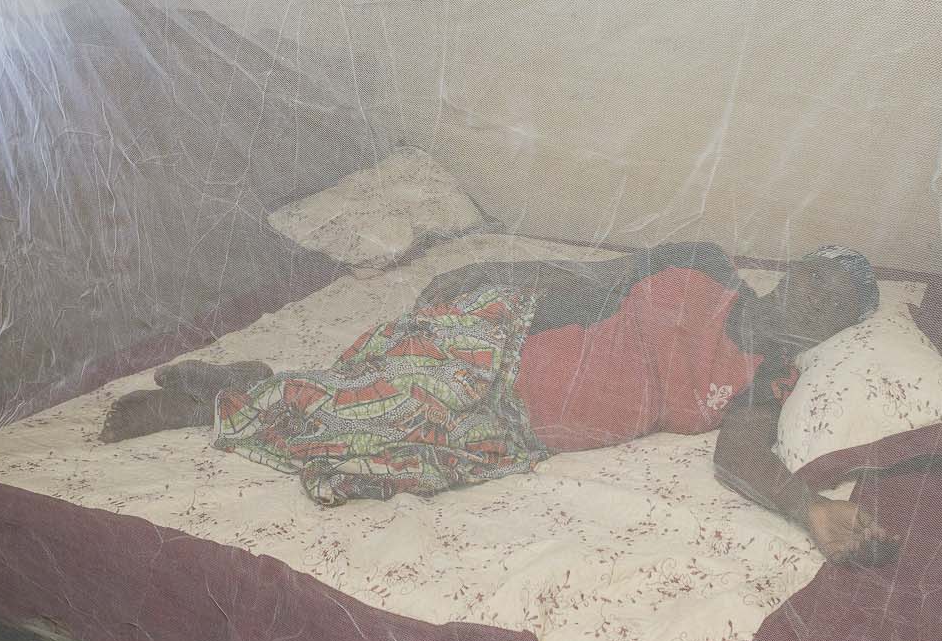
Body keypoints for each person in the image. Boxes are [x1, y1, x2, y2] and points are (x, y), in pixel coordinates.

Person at [101, 242, 898, 565]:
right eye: (816, 277)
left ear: (836, 327)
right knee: (396, 389)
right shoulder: (704, 266)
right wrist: (487, 272)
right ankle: (210, 404)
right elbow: (592, 281)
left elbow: (739, 457)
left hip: (519, 431)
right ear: (793, 269)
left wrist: (810, 510)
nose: (815, 299)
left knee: (376, 455)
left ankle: (254, 379)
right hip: (508, 344)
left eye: (835, 306)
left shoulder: (767, 381)